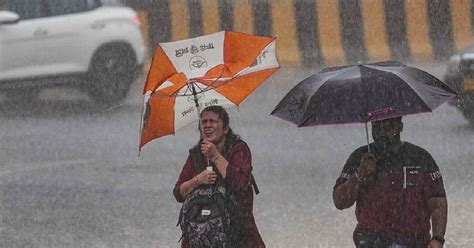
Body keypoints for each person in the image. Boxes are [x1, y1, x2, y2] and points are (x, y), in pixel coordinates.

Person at [332, 117, 447, 248]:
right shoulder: (360, 157)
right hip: (371, 240)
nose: (382, 133)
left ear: (400, 127)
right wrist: (360, 173)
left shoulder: (420, 157)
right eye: (377, 127)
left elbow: (438, 202)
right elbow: (340, 201)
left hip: (413, 241)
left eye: (388, 127)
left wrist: (438, 238)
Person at [173, 105, 265, 248]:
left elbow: (240, 183)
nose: (208, 125)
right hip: (200, 238)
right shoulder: (196, 155)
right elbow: (179, 193)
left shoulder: (239, 149)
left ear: (226, 128)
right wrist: (197, 180)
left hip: (239, 235)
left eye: (213, 121)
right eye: (204, 122)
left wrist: (215, 156)